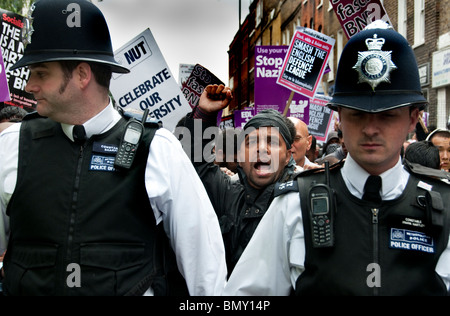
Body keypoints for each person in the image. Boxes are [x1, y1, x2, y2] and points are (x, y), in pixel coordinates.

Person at [0, 0, 226, 296]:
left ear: (82, 75)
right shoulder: (12, 145)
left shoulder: (157, 149)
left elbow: (205, 269)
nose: (30, 85)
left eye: (41, 73)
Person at [224, 21, 450, 296]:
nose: (370, 128)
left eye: (387, 115)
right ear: (340, 117)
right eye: (357, 114)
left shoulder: (444, 207)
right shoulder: (294, 205)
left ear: (413, 119)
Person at [181, 86, 296, 275]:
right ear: (240, 156)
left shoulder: (299, 200)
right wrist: (204, 115)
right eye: (251, 142)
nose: (262, 149)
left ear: (288, 155)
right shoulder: (226, 193)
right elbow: (194, 162)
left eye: (272, 142)